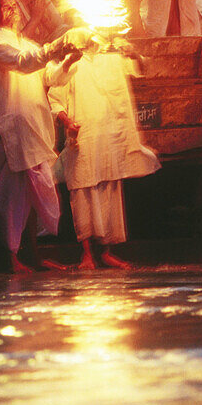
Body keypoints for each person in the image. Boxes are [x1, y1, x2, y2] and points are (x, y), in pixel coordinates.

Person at [0, 0, 80, 273]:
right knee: (12, 197)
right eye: (6, 8)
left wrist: (70, 59)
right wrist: (55, 47)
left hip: (34, 128)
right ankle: (11, 258)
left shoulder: (28, 43)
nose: (13, 11)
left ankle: (34, 256)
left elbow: (50, 76)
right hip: (12, 129)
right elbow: (24, 62)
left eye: (15, 6)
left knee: (34, 197)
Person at [48, 30, 160, 270]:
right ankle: (86, 255)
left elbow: (140, 68)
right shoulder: (70, 61)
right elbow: (55, 98)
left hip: (110, 138)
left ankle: (107, 252)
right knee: (82, 192)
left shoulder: (113, 57)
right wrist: (68, 122)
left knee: (109, 190)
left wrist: (133, 52)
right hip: (83, 137)